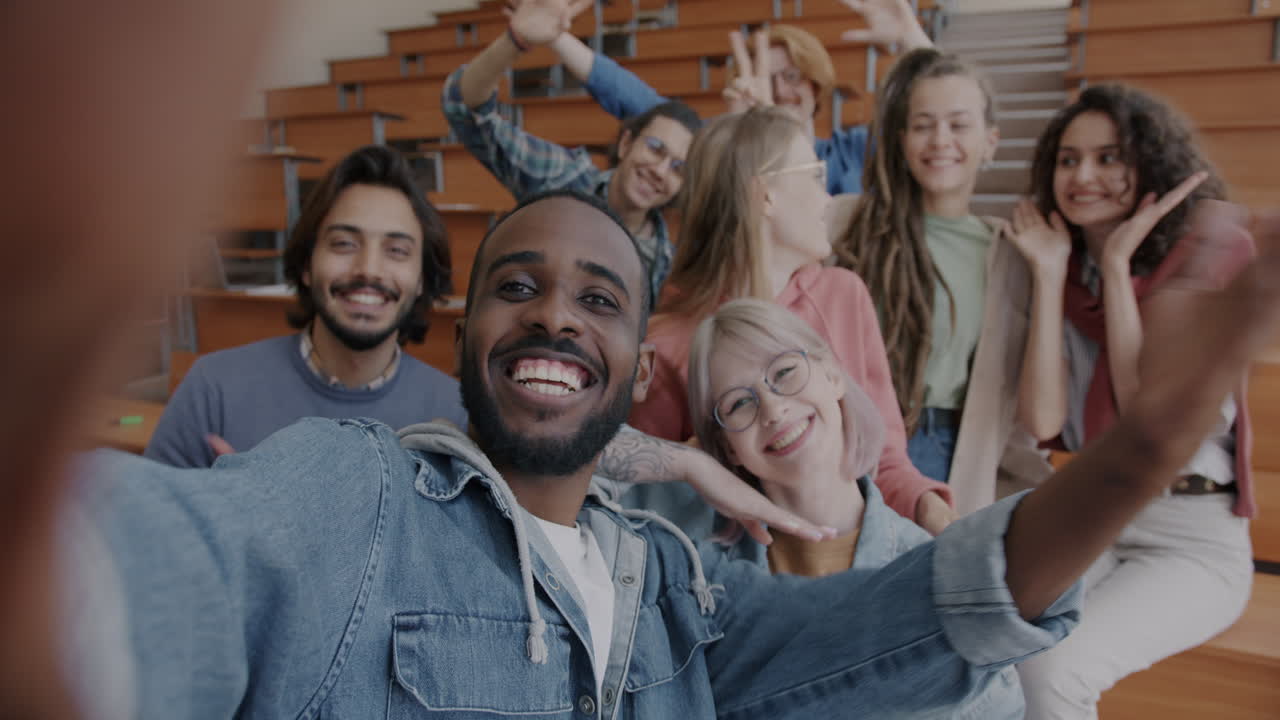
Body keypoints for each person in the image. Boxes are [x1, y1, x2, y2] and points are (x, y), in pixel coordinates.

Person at [64, 189, 1280, 719]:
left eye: (597, 299)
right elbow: (151, 566)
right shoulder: (353, 489)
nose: (552, 316)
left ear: (635, 360)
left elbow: (935, 612)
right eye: (517, 287)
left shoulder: (684, 593)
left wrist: (1139, 453)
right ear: (467, 329)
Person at [1006, 84, 1258, 719]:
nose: (1084, 175)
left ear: (1147, 161)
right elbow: (1042, 420)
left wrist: (1119, 269)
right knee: (994, 642)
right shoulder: (1064, 271)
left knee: (1052, 674)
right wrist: (1048, 272)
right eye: (1068, 160)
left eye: (1108, 157)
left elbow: (1148, 419)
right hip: (1096, 515)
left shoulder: (1209, 253)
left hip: (1190, 535)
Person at [627, 106, 955, 537]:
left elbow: (886, 459)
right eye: (816, 175)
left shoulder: (845, 294)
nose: (829, 198)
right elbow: (647, 498)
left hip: (856, 553)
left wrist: (934, 514)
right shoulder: (667, 342)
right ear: (765, 195)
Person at [687, 297, 1024, 716]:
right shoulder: (697, 573)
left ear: (832, 375)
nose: (773, 409)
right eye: (739, 403)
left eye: (785, 373)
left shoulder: (929, 569)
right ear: (727, 449)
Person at [144, 145, 467, 467]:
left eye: (396, 250)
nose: (369, 268)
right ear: (306, 266)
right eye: (343, 243)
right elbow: (153, 516)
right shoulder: (213, 390)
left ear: (422, 277)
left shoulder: (456, 417)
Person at [830, 48, 1038, 509]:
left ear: (991, 141)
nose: (940, 140)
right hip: (845, 434)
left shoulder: (1009, 252)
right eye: (923, 125)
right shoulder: (847, 222)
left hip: (948, 447)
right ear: (901, 140)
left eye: (959, 125)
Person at [442, 0, 700, 302]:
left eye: (678, 168)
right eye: (655, 148)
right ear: (626, 143)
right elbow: (465, 111)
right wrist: (514, 40)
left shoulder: (667, 259)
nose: (659, 170)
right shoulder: (564, 178)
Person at [547, 0, 932, 194]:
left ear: (817, 86)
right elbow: (638, 102)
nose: (781, 91)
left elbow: (941, 118)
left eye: (793, 76)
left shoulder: (855, 152)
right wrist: (553, 36)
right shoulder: (723, 146)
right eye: (768, 77)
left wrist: (911, 41)